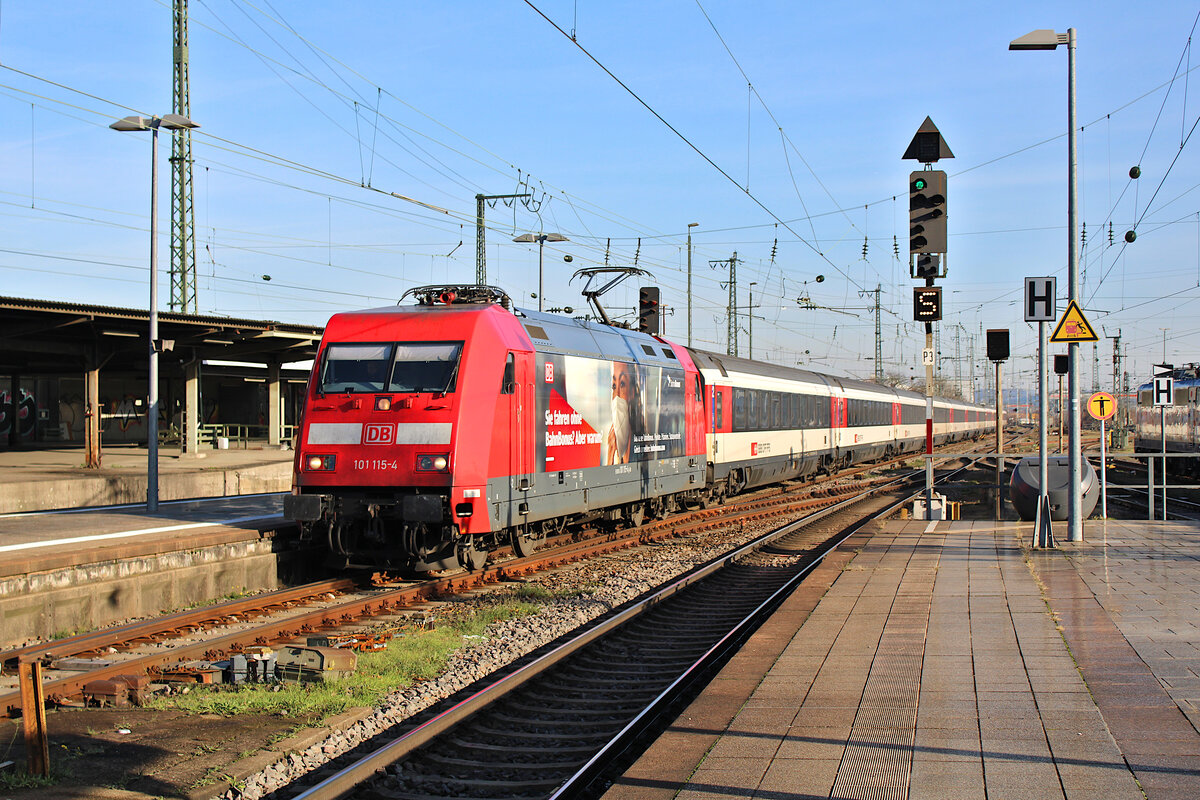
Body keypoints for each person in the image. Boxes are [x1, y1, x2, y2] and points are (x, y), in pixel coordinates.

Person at [606, 361, 643, 464]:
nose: (617, 396)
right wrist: (610, 456)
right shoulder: (611, 444)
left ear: (632, 392)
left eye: (622, 384)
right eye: (614, 386)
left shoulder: (641, 446)